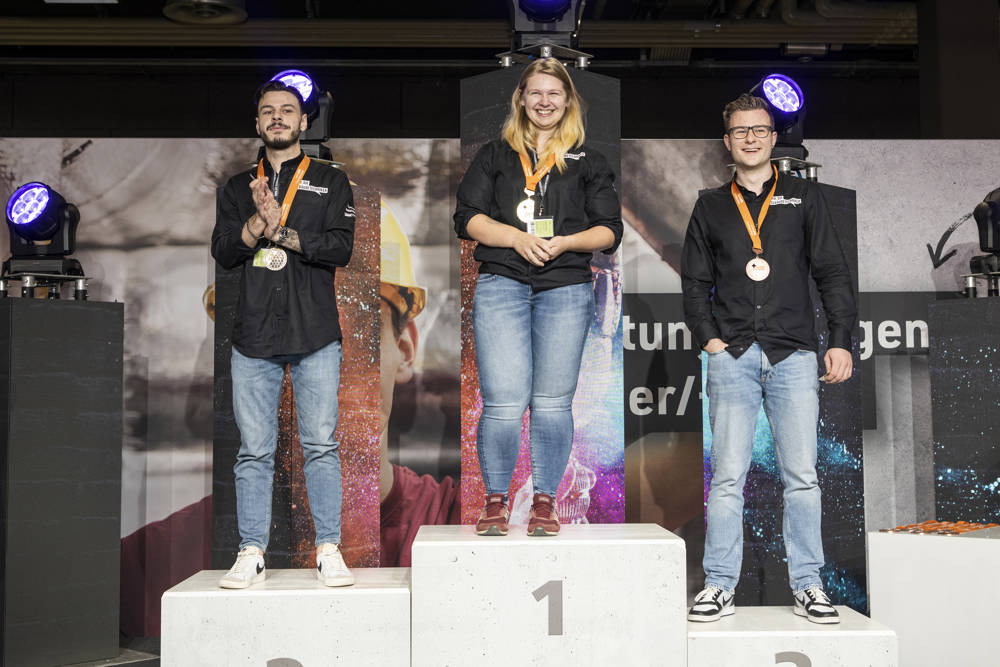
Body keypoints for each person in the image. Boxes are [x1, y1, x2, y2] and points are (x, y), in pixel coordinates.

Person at [681, 93, 856, 624]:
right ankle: (719, 585)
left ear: (773, 138)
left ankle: (808, 584)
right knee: (728, 477)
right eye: (741, 132)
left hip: (793, 353)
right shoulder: (710, 204)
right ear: (727, 141)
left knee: (801, 476)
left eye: (760, 130)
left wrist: (842, 337)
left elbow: (831, 272)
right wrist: (709, 338)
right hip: (732, 352)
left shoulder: (803, 196)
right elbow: (694, 282)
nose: (751, 139)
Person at [453, 57, 623, 537]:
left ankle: (545, 501)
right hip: (502, 283)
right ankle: (495, 502)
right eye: (536, 93)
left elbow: (610, 231)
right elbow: (466, 217)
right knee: (503, 403)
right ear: (521, 100)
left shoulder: (588, 161)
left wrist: (566, 242)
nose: (545, 102)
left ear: (567, 101)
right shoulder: (494, 155)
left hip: (565, 286)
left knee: (552, 402)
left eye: (555, 93)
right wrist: (515, 237)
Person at [210, 79, 356, 589]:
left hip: (314, 330)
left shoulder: (330, 181)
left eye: (287, 111)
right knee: (254, 449)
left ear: (303, 122)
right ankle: (251, 550)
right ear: (257, 123)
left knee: (320, 443)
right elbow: (225, 250)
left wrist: (281, 231)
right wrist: (257, 221)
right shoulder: (236, 187)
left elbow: (341, 248)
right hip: (253, 333)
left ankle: (328, 548)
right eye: (268, 111)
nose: (277, 118)